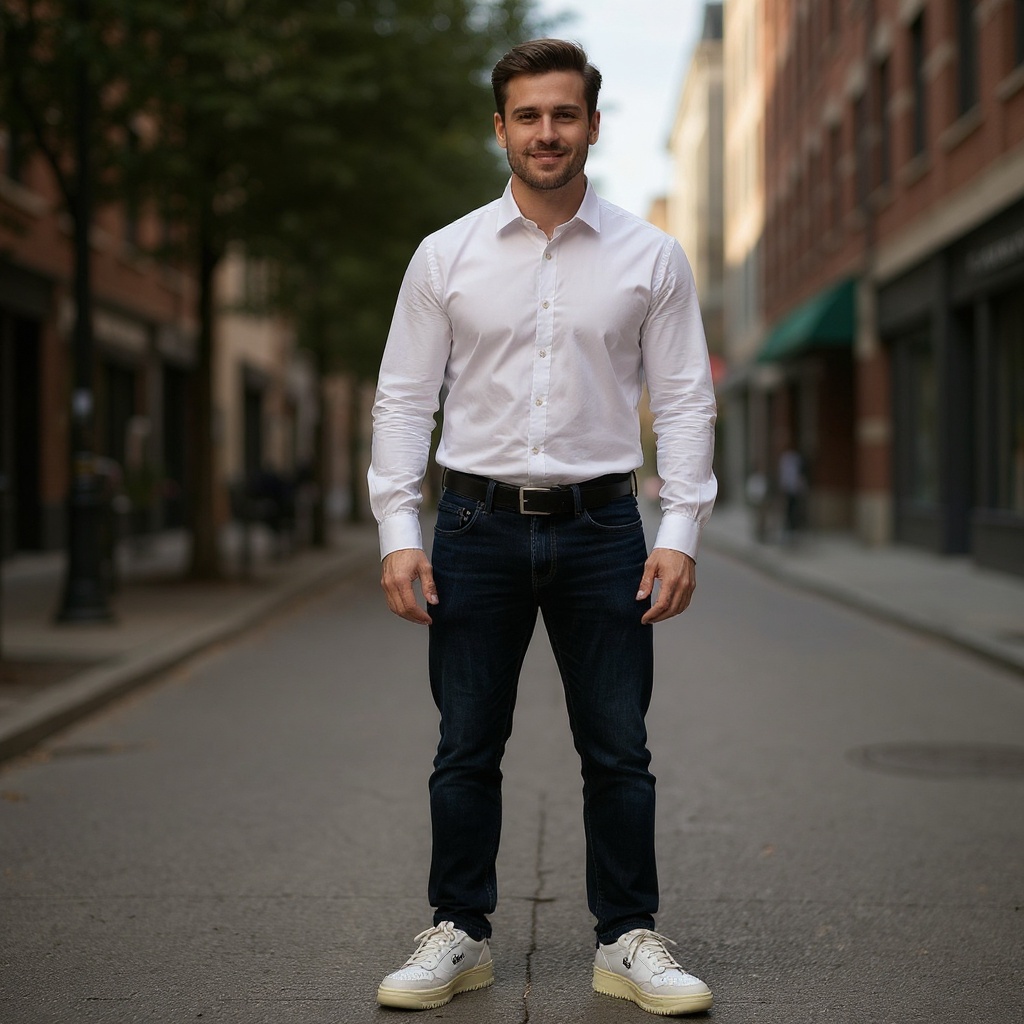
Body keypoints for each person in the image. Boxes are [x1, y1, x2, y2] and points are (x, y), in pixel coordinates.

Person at [368, 39, 718, 1016]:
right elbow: (403, 400)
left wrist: (680, 526)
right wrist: (399, 526)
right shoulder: (445, 255)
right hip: (472, 525)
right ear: (501, 129)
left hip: (603, 525)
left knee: (616, 747)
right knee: (465, 744)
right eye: (528, 116)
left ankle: (627, 937)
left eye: (564, 114)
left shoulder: (650, 256)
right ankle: (459, 932)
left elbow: (686, 398)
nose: (547, 132)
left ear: (593, 125)